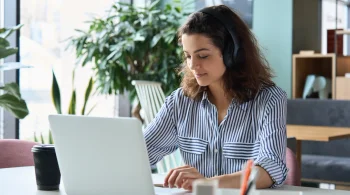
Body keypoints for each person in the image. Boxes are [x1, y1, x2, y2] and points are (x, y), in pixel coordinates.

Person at [143, 4, 287, 190]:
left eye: (203, 56)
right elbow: (140, 154)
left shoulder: (270, 100)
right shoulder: (180, 102)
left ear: (231, 54)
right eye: (188, 56)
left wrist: (206, 184)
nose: (193, 65)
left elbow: (271, 169)